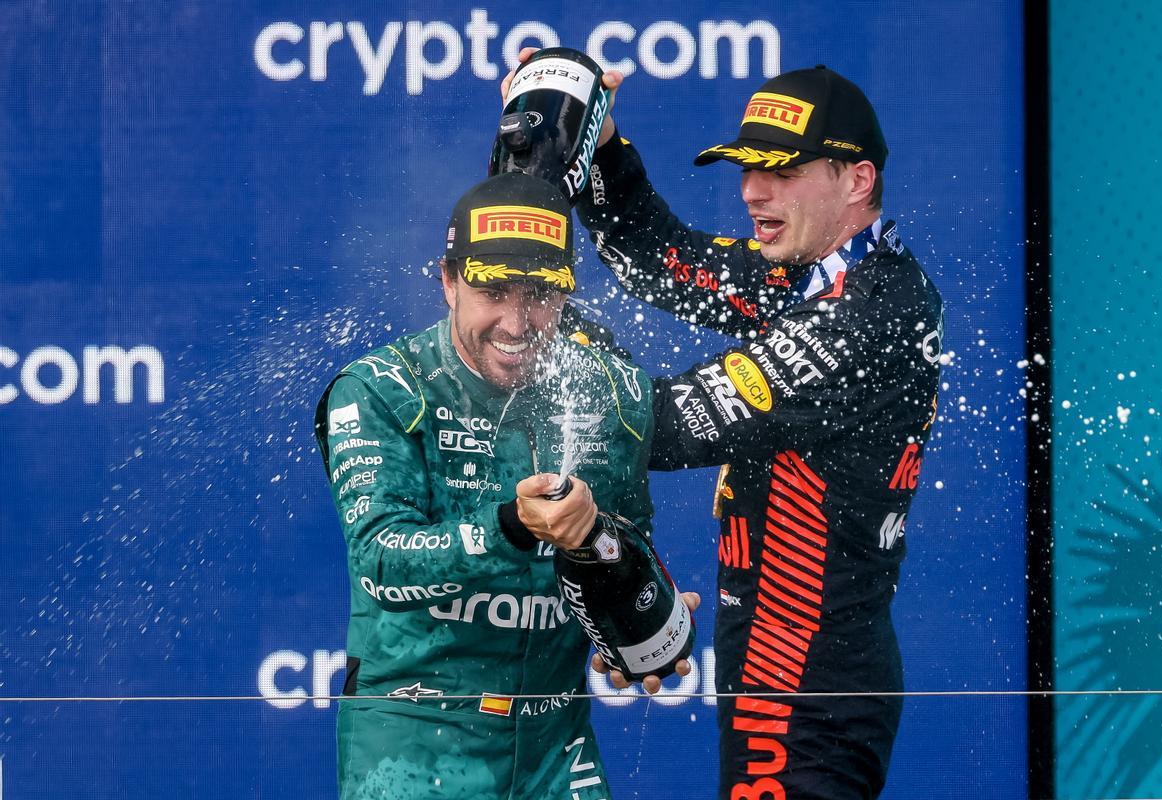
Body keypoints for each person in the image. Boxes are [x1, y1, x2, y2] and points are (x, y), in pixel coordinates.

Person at [508, 55, 944, 799]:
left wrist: (530, 325)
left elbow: (665, 425)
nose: (751, 190)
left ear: (857, 179)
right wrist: (599, 142)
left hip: (810, 682)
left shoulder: (870, 310)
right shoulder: (803, 270)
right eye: (746, 168)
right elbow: (660, 260)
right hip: (770, 663)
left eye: (780, 171)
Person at [314, 172, 692, 800]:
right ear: (448, 281)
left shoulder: (608, 390)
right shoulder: (381, 389)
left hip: (555, 745)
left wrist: (638, 617)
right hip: (413, 739)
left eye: (541, 294)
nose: (518, 323)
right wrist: (510, 527)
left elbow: (623, 545)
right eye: (494, 291)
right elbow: (380, 563)